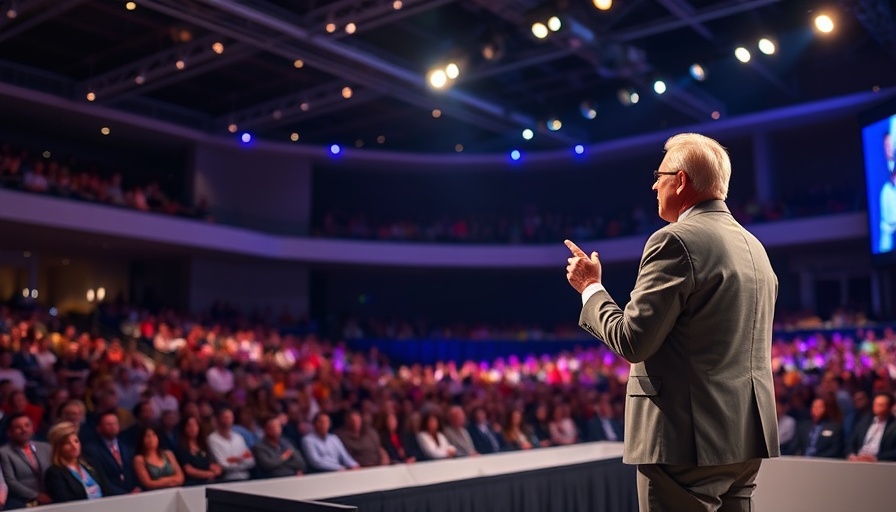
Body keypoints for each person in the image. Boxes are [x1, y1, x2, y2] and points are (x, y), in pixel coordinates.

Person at [565, 133, 779, 511]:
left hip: (686, 441)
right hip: (745, 439)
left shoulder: (676, 241)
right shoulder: (755, 248)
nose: (654, 184)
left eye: (659, 175)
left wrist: (591, 288)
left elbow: (633, 341)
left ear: (680, 180)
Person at [43, 421, 110, 503]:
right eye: (68, 443)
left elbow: (107, 490)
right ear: (58, 448)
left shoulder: (91, 464)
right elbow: (64, 502)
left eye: (76, 441)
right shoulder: (54, 473)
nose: (74, 446)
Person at [0, 413, 52, 508]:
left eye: (27, 425)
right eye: (18, 427)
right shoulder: (4, 453)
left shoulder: (46, 448)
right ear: (9, 432)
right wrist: (36, 496)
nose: (24, 430)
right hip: (21, 502)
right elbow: (10, 481)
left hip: (51, 498)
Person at [83, 409, 141, 495]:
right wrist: (123, 494)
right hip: (112, 497)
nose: (113, 427)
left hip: (134, 494)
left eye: (115, 424)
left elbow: (135, 472)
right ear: (99, 428)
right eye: (108, 424)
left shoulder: (128, 447)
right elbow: (101, 479)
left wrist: (137, 488)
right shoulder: (91, 450)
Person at [206, 406, 255, 481]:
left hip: (245, 477)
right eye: (225, 417)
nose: (229, 420)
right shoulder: (212, 439)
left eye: (230, 417)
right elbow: (223, 464)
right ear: (218, 420)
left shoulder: (239, 437)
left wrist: (234, 460)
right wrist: (241, 460)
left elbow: (251, 461)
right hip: (226, 479)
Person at [846, 393, 896, 462]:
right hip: (859, 461)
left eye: (881, 405)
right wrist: (852, 455)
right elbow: (851, 443)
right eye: (875, 404)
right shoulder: (864, 422)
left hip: (882, 464)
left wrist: (876, 458)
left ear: (890, 407)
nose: (877, 407)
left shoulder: (893, 425)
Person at [132, 426, 184, 490]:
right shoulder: (139, 459)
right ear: (142, 439)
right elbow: (148, 483)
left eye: (154, 435)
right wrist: (172, 480)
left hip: (174, 490)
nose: (151, 439)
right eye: (148, 436)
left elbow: (180, 478)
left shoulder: (168, 454)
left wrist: (163, 480)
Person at [176, 415, 222, 486]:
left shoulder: (203, 445)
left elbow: (210, 463)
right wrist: (208, 474)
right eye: (189, 425)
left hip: (208, 483)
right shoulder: (182, 448)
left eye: (195, 425)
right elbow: (189, 470)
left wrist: (217, 469)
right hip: (192, 485)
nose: (193, 428)